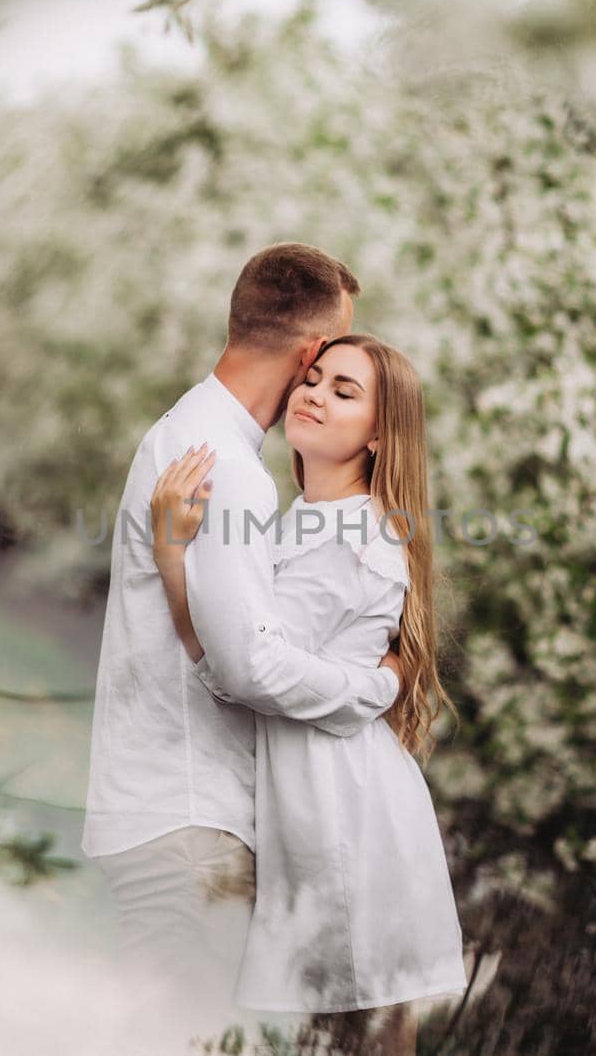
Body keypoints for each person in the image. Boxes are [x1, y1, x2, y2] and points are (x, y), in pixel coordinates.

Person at [80, 244, 405, 1036]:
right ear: (308, 354)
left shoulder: (193, 432)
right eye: (328, 357)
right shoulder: (222, 463)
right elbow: (249, 663)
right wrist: (382, 684)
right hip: (189, 820)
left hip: (167, 807)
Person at [149, 333, 468, 1054]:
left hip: (345, 812)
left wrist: (173, 557)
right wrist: (376, 682)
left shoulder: (352, 535)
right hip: (323, 802)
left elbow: (252, 670)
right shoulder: (306, 518)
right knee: (356, 1033)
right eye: (314, 378)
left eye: (343, 390)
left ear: (382, 436)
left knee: (366, 1033)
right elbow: (250, 660)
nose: (314, 393)